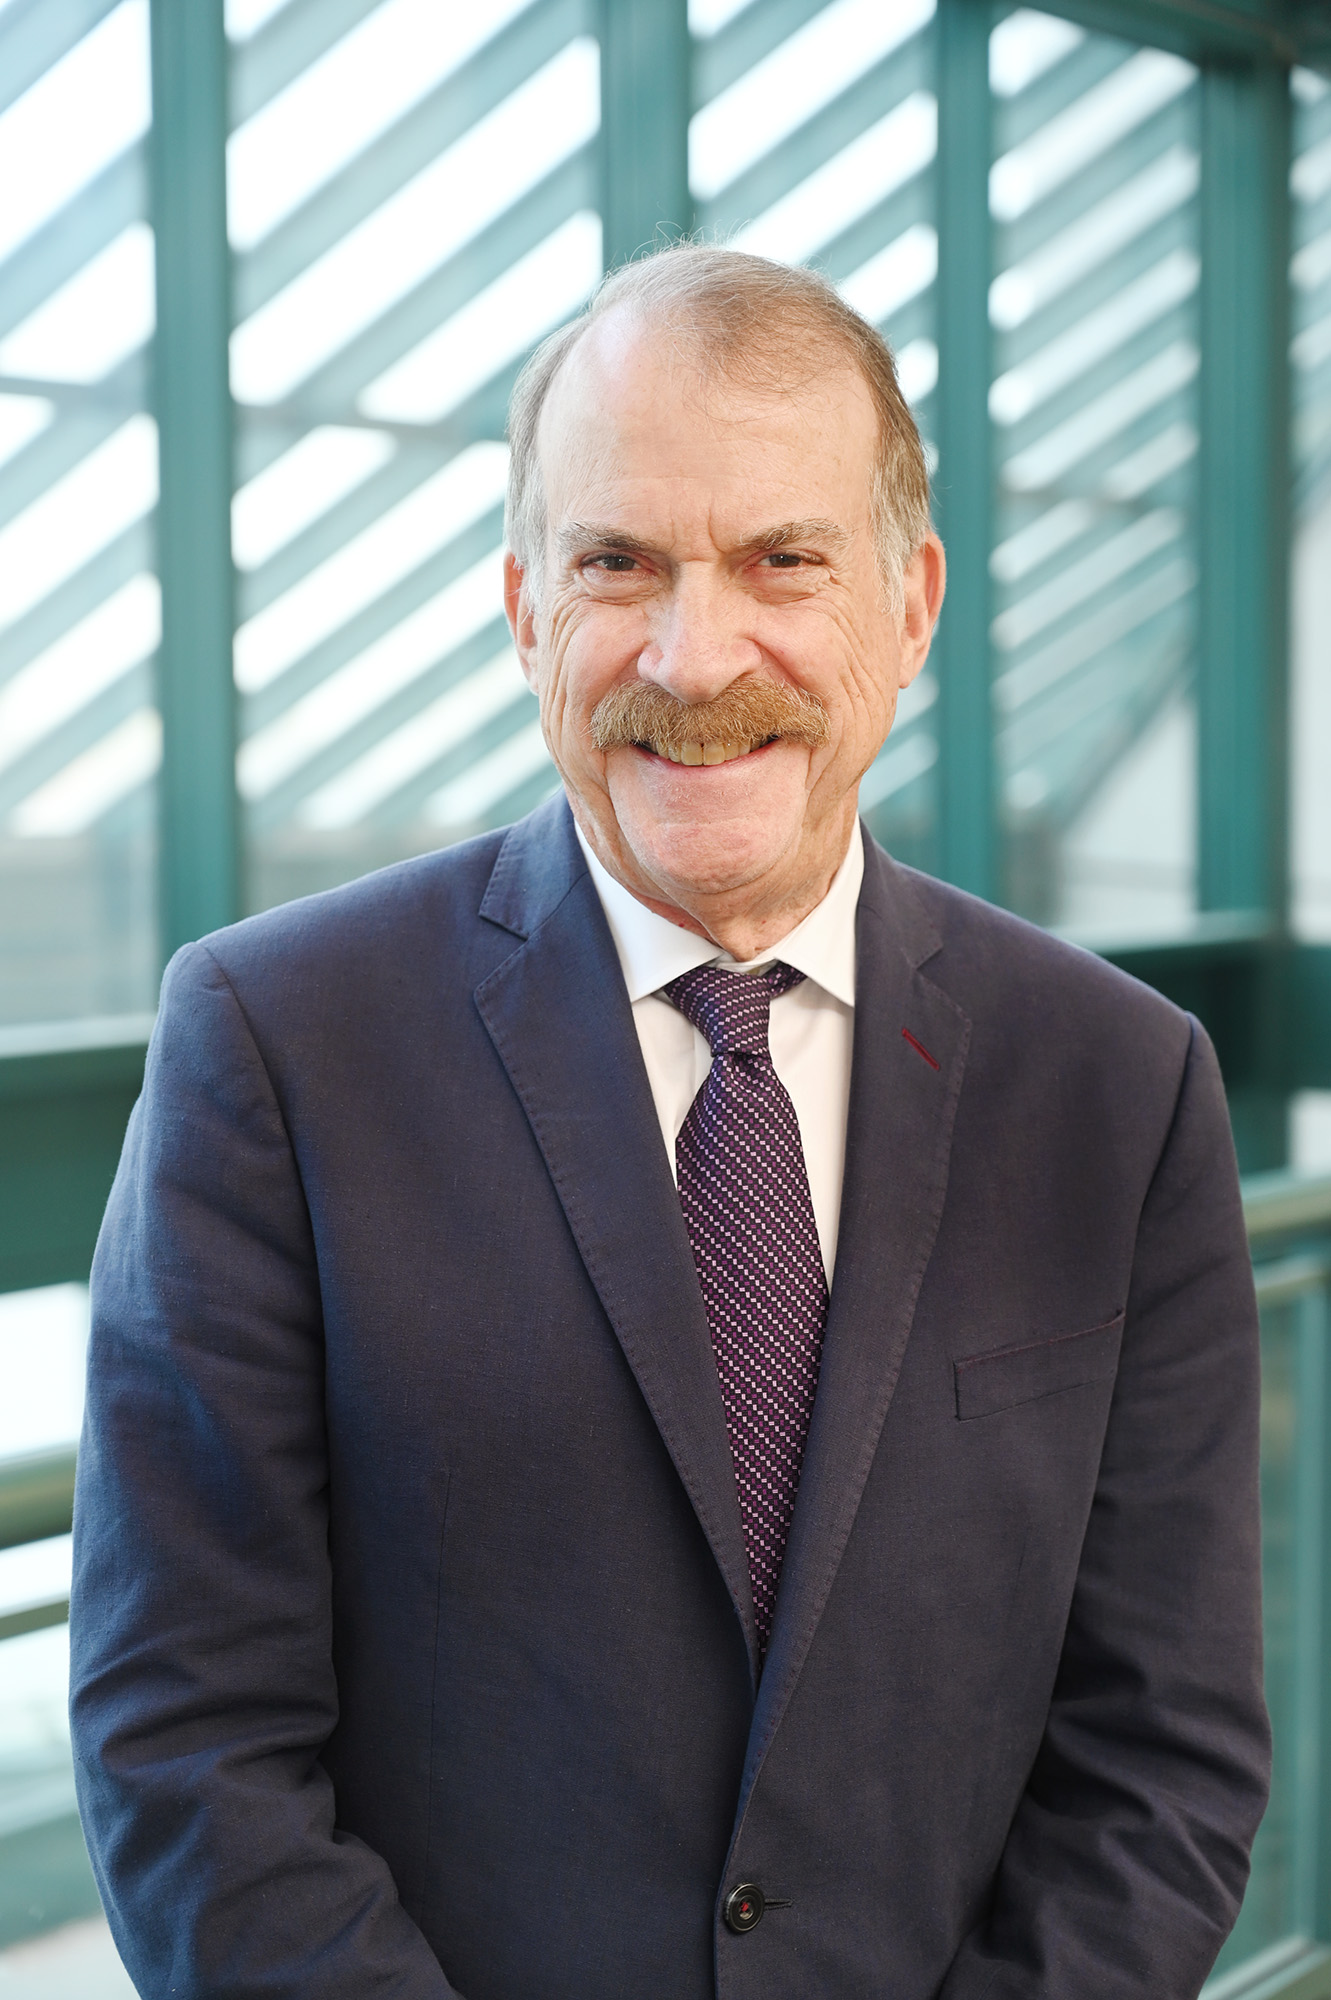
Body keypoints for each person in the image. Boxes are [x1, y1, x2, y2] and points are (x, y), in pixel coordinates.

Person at [70, 245, 1269, 2000]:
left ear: (913, 604)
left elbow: (1163, 1757)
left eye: (785, 559)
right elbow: (188, 1744)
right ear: (524, 611)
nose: (696, 659)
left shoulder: (1120, 1086)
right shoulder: (275, 1045)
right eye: (617, 563)